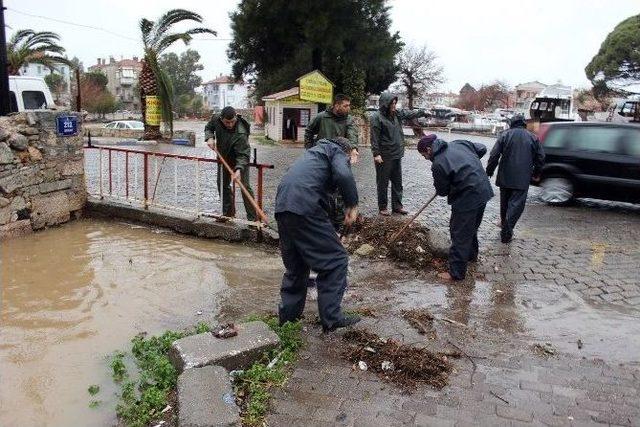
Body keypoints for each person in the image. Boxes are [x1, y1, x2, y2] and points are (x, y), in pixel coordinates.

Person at [275, 137, 360, 332]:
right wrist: (352, 204)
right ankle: (332, 318)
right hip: (305, 207)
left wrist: (334, 230)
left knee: (296, 267)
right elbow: (344, 175)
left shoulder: (314, 155)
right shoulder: (335, 151)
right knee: (336, 260)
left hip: (284, 207)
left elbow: (326, 201)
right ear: (348, 151)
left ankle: (288, 321)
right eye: (352, 157)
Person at [417, 134, 494, 281]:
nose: (425, 158)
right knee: (471, 228)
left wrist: (449, 182)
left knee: (459, 233)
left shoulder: (438, 164)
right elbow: (482, 148)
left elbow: (442, 191)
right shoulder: (460, 143)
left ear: (429, 149)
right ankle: (471, 256)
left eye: (424, 155)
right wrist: (470, 162)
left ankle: (456, 273)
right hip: (483, 190)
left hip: (467, 197)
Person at [486, 114, 545, 243]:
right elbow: (540, 157)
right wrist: (536, 173)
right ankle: (508, 226)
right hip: (522, 178)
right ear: (524, 124)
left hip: (505, 176)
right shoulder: (533, 137)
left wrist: (489, 171)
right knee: (517, 204)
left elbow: (494, 155)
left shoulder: (505, 135)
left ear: (512, 123)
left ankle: (504, 222)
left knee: (504, 203)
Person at [304, 94, 360, 230]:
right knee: (322, 189)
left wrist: (353, 149)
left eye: (349, 105)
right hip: (322, 159)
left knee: (341, 189)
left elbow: (353, 135)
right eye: (345, 105)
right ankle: (322, 220)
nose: (348, 108)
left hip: (341, 159)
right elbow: (309, 131)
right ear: (336, 105)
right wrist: (310, 150)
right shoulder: (322, 117)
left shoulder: (349, 120)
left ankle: (340, 222)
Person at [370, 92, 427, 216]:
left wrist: (422, 112)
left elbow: (409, 113)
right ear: (386, 104)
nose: (394, 105)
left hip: (397, 154)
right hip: (384, 155)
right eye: (392, 103)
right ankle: (383, 206)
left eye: (395, 103)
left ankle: (397, 206)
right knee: (383, 182)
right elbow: (374, 137)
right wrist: (376, 153)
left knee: (397, 182)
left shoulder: (397, 114)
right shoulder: (376, 117)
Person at [205, 106, 257, 221]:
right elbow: (208, 127)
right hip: (223, 158)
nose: (230, 124)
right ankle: (228, 214)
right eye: (227, 122)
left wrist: (238, 169)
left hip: (240, 160)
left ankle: (253, 219)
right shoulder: (216, 119)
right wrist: (209, 138)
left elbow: (243, 155)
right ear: (221, 119)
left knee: (244, 187)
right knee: (222, 185)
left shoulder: (241, 132)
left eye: (232, 121)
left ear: (235, 118)